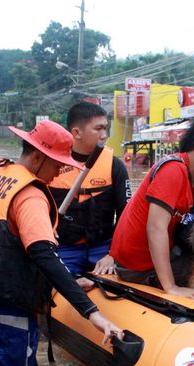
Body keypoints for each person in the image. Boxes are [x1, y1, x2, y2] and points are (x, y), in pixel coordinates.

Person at [0, 120, 123, 366]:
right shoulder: (30, 195)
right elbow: (44, 255)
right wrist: (93, 314)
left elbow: (7, 251)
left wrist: (68, 280)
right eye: (58, 165)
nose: (60, 172)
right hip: (11, 315)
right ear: (38, 158)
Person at [110, 110, 194, 300]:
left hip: (170, 253)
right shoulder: (172, 170)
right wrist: (171, 287)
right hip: (137, 267)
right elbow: (156, 228)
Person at [47, 102, 131, 289]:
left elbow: (126, 215)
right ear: (76, 133)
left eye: (106, 128)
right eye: (98, 129)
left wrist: (113, 254)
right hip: (65, 249)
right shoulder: (52, 165)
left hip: (103, 249)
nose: (105, 135)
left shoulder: (114, 165)